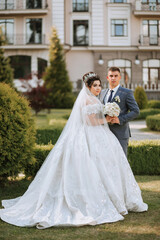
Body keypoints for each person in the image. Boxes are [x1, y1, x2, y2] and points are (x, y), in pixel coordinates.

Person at [0, 72, 147, 229]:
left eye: (99, 85)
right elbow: (90, 122)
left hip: (101, 135)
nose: (98, 88)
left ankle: (115, 198)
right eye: (95, 85)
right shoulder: (86, 99)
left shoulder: (96, 98)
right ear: (88, 87)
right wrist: (107, 119)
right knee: (92, 166)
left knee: (107, 166)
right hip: (89, 135)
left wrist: (109, 115)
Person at [99, 67, 140, 156]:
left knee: (121, 162)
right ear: (107, 77)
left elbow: (136, 111)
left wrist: (120, 119)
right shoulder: (102, 93)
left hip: (120, 134)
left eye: (116, 76)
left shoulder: (127, 93)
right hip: (104, 133)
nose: (113, 78)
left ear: (120, 77)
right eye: (111, 76)